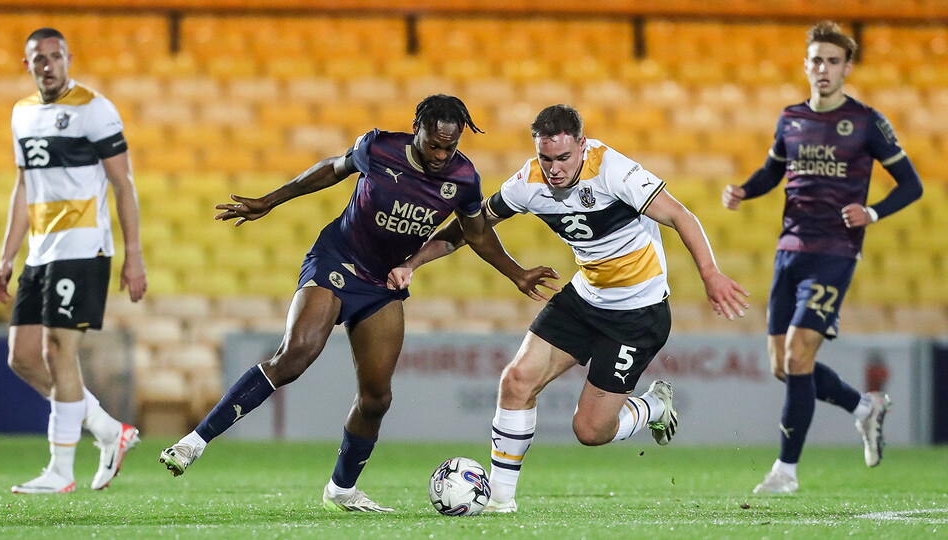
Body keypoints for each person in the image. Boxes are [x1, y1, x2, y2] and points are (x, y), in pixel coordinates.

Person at [159, 94, 558, 512]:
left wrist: (517, 273)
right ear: (416, 129)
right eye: (434, 144)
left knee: (376, 398)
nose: (441, 155)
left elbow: (475, 232)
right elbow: (330, 171)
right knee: (295, 355)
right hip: (336, 260)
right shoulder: (379, 147)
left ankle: (341, 490)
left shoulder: (463, 178)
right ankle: (193, 443)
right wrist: (270, 200)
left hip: (382, 283)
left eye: (450, 146)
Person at [390, 104, 750, 513]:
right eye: (546, 158)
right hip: (584, 298)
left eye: (563, 157)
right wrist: (412, 262)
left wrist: (710, 274)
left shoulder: (614, 171)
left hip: (637, 313)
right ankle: (501, 502)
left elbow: (681, 216)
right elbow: (468, 230)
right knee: (516, 382)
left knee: (590, 431)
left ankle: (653, 406)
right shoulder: (528, 183)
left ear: (582, 144)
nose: (555, 168)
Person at [721, 21, 923, 494]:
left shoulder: (867, 122)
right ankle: (863, 408)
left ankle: (785, 472)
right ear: (806, 65)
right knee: (784, 365)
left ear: (847, 67)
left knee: (797, 353)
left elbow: (911, 185)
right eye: (816, 60)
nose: (824, 68)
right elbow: (772, 172)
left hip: (835, 251)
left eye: (833, 61)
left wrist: (872, 211)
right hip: (789, 250)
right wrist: (744, 191)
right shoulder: (790, 117)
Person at [0, 28, 147, 494]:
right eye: (40, 58)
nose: (48, 64)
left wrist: (133, 255)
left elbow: (124, 184)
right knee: (22, 358)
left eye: (56, 56)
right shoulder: (21, 114)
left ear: (68, 59)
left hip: (83, 246)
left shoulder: (94, 109)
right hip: (40, 250)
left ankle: (60, 471)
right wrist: (6, 257)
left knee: (58, 349)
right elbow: (24, 187)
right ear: (28, 64)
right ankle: (107, 431)